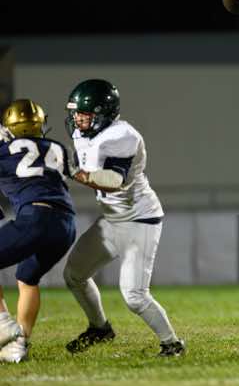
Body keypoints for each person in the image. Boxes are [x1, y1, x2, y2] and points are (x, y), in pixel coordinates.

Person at [63, 79, 185, 356]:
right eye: (76, 113)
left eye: (84, 114)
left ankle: (172, 344)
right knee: (74, 275)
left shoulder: (122, 136)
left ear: (103, 113)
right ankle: (100, 328)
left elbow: (114, 181)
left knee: (134, 296)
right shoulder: (84, 134)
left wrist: (73, 172)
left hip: (138, 219)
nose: (78, 119)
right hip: (112, 219)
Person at [0, 99, 76, 362]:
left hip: (35, 218)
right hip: (66, 224)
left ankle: (4, 326)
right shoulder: (57, 148)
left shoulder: (5, 150)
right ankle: (18, 346)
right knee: (27, 277)